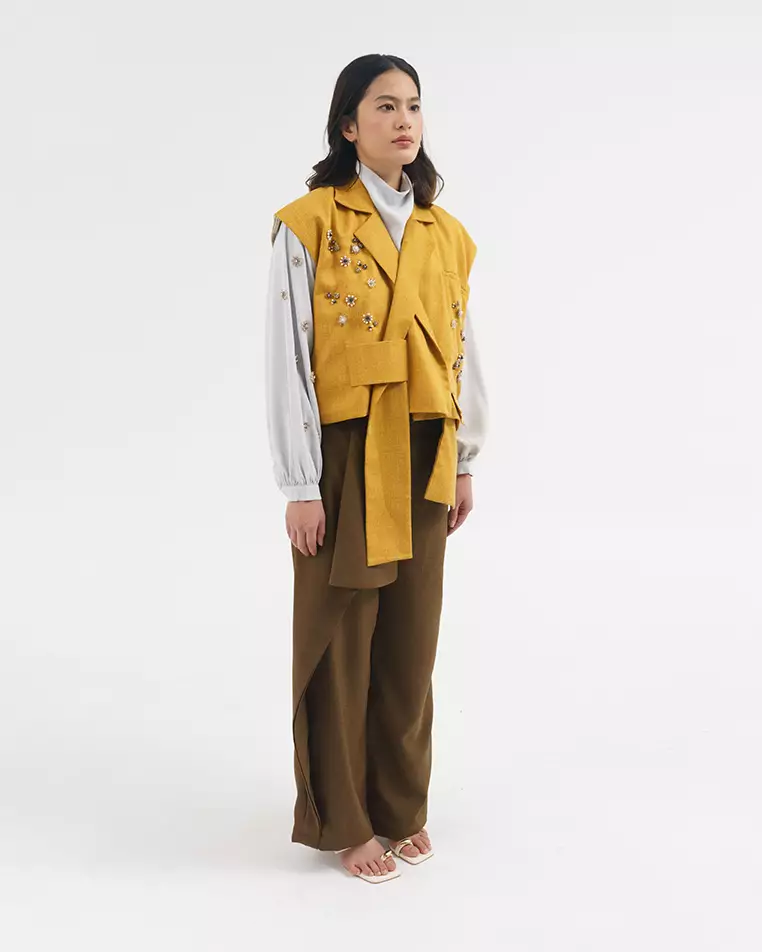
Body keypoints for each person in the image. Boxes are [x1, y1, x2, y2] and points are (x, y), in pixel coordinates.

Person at [264, 53, 488, 884]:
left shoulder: (445, 233)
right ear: (348, 125)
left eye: (414, 106)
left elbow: (463, 348)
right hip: (347, 449)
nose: (403, 120)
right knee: (341, 635)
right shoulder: (309, 223)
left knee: (410, 638)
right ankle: (345, 818)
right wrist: (300, 483)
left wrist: (463, 459)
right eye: (385, 106)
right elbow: (287, 355)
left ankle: (399, 805)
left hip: (425, 447)